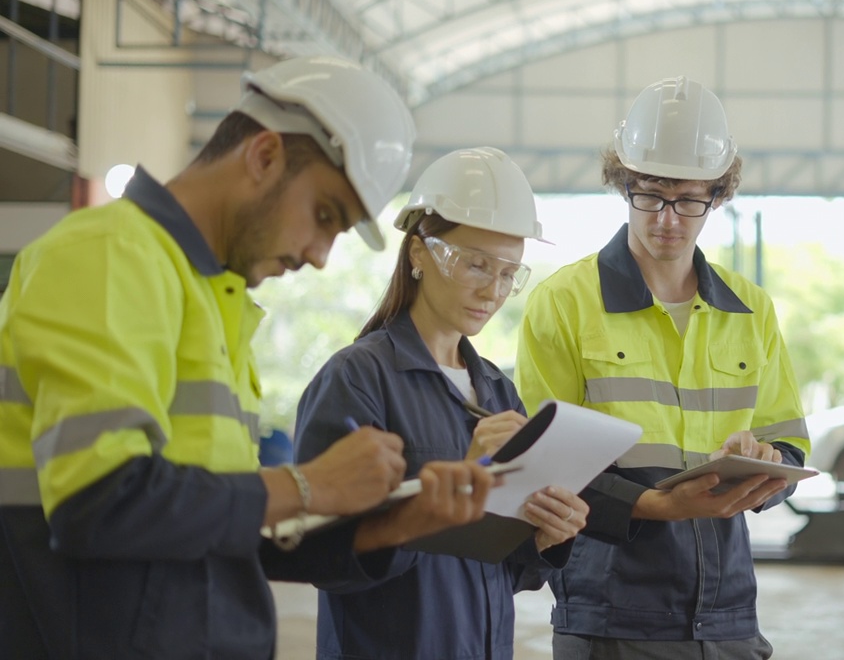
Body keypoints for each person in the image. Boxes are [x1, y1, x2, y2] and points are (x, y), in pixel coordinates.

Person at [0, 55, 495, 660]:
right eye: (324, 216)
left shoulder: (210, 299)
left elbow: (220, 529)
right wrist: (307, 484)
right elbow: (102, 503)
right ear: (263, 156)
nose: (319, 255)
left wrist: (404, 522)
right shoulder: (109, 255)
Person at [515, 76, 811, 659]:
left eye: (689, 200)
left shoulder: (751, 310)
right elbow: (546, 470)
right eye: (650, 195)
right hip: (608, 610)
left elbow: (790, 446)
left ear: (718, 196)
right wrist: (657, 505)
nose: (668, 219)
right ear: (622, 185)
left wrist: (766, 466)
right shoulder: (564, 303)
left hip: (726, 615)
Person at [294, 146, 590, 660]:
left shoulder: (498, 391)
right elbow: (323, 552)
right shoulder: (358, 379)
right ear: (418, 254)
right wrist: (459, 473)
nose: (492, 290)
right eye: (476, 264)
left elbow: (504, 568)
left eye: (507, 274)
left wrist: (546, 538)